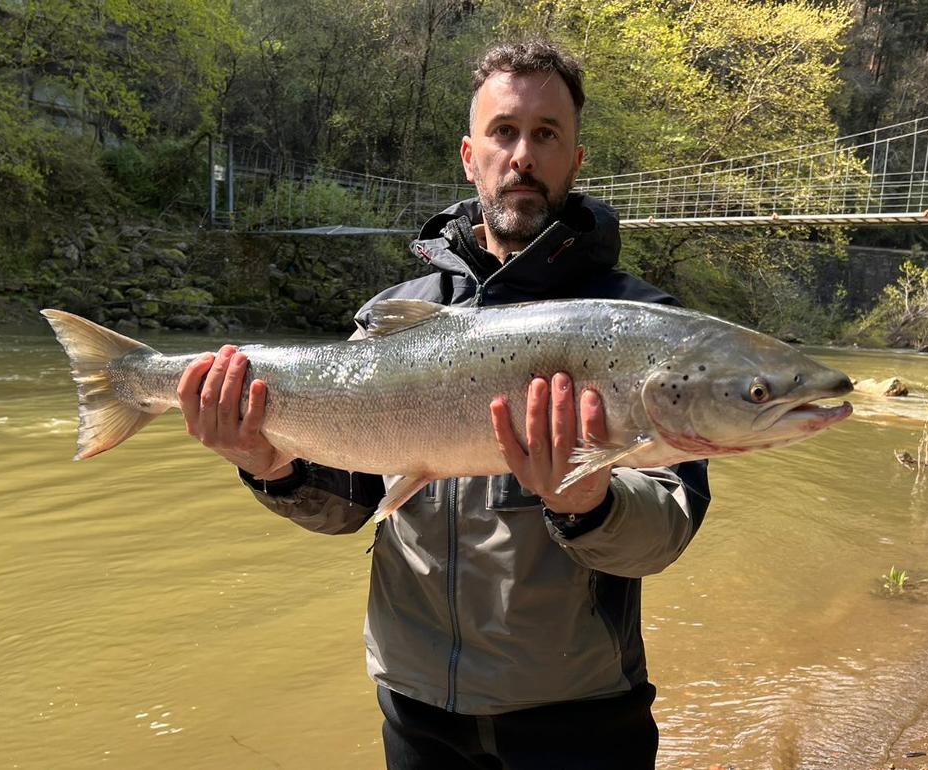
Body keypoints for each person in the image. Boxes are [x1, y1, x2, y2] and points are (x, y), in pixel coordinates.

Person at [177, 41, 711, 770]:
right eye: (504, 132)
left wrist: (587, 500)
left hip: (581, 715)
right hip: (416, 708)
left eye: (546, 135)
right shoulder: (390, 315)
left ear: (576, 160)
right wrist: (268, 467)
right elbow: (349, 505)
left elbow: (666, 533)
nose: (522, 154)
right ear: (470, 155)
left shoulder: (641, 325)